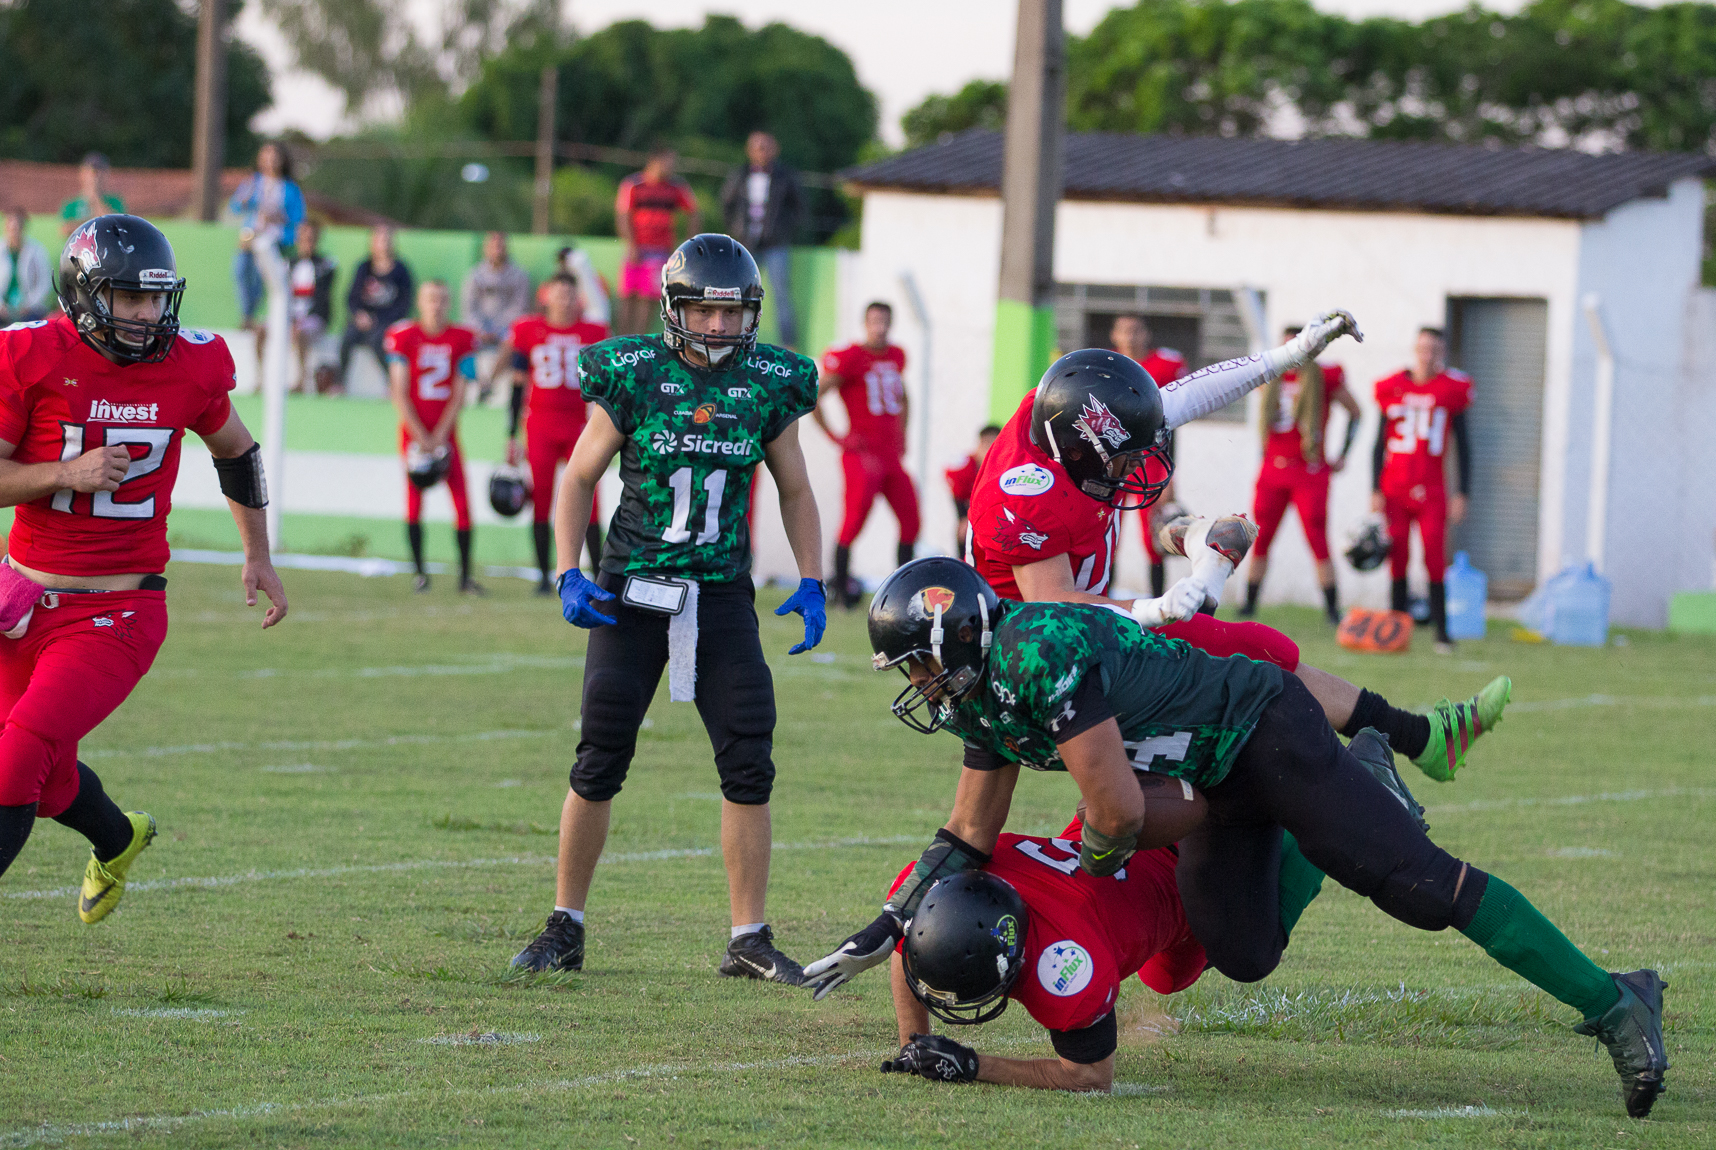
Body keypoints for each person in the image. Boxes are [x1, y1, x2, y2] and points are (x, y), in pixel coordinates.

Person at [808, 558, 1669, 1119]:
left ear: (959, 639)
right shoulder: (983, 693)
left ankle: (1613, 1001)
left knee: (1418, 888)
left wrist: (1099, 868)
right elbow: (967, 831)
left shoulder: (1039, 656)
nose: (919, 685)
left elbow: (1114, 817)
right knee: (1245, 950)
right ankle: (1359, 781)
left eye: (918, 663)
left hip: (1262, 728)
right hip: (1211, 780)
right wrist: (886, 925)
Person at [965, 333, 1506, 784]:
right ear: (1078, 447)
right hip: (1036, 663)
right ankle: (1406, 749)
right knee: (1254, 654)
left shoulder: (1068, 423)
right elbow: (1053, 606)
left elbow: (1182, 400)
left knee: (1252, 657)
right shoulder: (1025, 491)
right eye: (1124, 457)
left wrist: (1283, 358)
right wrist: (1154, 609)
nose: (1134, 468)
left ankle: (1416, 741)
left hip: (1079, 628)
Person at [509, 234, 826, 986]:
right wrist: (567, 570)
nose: (717, 328)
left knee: (749, 755)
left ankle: (747, 937)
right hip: (632, 592)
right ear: (673, 309)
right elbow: (577, 477)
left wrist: (813, 577)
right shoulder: (635, 375)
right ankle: (566, 925)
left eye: (730, 313)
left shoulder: (771, 382)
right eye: (702, 311)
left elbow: (796, 489)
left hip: (719, 595)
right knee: (601, 752)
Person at [0, 214, 288, 919]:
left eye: (155, 299)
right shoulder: (31, 354)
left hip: (116, 611)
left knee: (16, 760)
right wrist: (67, 471)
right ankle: (118, 836)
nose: (145, 315)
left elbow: (237, 452)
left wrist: (258, 553)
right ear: (82, 293)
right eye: (127, 299)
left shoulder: (188, 363)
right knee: (47, 772)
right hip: (20, 597)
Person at [875, 838, 1217, 1090]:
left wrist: (971, 1064)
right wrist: (913, 1046)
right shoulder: (934, 892)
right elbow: (909, 940)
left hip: (1185, 881)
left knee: (1164, 978)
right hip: (1104, 840)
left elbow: (1090, 1078)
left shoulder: (1065, 968)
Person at [490, 273, 610, 592]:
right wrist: (510, 434)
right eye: (559, 293)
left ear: (578, 297)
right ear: (546, 296)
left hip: (578, 425)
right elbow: (517, 385)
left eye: (570, 293)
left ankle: (599, 573)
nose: (565, 300)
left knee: (592, 499)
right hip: (539, 424)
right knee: (542, 500)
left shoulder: (593, 331)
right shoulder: (528, 329)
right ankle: (545, 576)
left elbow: (608, 389)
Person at [1242, 326, 1362, 624]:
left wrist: (1343, 453)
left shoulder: (1324, 376)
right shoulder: (1270, 373)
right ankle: (1249, 604)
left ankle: (1332, 609)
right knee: (1261, 537)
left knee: (1317, 539)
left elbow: (1356, 412)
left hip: (1309, 469)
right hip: (1273, 467)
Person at [1374, 327, 1472, 653]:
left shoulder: (1450, 389)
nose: (1427, 355)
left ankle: (1442, 634)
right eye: (1423, 348)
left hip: (1431, 488)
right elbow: (1378, 443)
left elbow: (1464, 444)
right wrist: (1374, 488)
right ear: (1415, 349)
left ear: (1441, 352)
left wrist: (1463, 492)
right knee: (1398, 556)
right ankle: (1395, 631)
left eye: (1434, 349)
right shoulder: (1392, 387)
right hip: (1395, 488)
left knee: (1434, 556)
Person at [815, 301, 919, 607]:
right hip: (861, 454)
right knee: (854, 520)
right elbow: (816, 396)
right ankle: (840, 589)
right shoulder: (851, 358)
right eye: (874, 321)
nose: (880, 327)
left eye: (885, 321)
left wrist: (904, 434)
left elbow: (903, 396)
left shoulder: (897, 355)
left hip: (890, 454)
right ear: (865, 323)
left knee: (911, 519)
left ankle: (905, 590)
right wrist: (836, 437)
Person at [385, 280, 480, 595]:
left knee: (462, 502)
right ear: (420, 302)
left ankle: (465, 576)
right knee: (414, 501)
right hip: (414, 431)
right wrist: (420, 434)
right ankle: (419, 573)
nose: (436, 305)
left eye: (441, 299)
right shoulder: (404, 336)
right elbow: (398, 392)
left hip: (445, 431)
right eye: (430, 298)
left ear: (448, 302)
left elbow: (460, 389)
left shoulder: (462, 338)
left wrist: (440, 435)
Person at [1110, 314, 1186, 598]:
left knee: (1153, 537)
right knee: (1107, 532)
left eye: (1136, 331)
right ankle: (1103, 598)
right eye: (1124, 331)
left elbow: (1173, 423)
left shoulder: (1165, 365)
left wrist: (1169, 474)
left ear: (1147, 334)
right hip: (1113, 458)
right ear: (1114, 335)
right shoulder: (1107, 364)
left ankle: (1158, 601)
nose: (1130, 337)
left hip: (1151, 458)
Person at [721, 132, 804, 349]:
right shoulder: (740, 174)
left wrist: (783, 230)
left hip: (775, 243)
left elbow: (798, 207)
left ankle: (789, 345)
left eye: (765, 146)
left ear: (775, 149)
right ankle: (734, 338)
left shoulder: (784, 175)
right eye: (757, 147)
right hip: (747, 243)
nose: (761, 151)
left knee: (781, 295)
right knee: (739, 293)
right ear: (749, 150)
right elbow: (727, 204)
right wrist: (736, 230)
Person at [228, 143, 307, 358]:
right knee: (241, 271)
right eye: (266, 156)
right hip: (251, 238)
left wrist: (280, 220)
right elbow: (235, 206)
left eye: (274, 157)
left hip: (275, 241)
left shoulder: (290, 189)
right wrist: (246, 203)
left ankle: (262, 319)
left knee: (266, 280)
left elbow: (299, 221)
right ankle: (248, 315)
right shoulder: (253, 183)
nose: (270, 161)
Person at [614, 150, 697, 337]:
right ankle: (621, 338)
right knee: (627, 296)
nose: (671, 167)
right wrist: (631, 244)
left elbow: (694, 211)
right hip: (636, 249)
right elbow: (623, 215)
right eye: (668, 162)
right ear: (655, 161)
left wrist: (688, 242)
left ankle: (638, 340)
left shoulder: (676, 186)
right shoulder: (634, 184)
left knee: (648, 298)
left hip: (660, 250)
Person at [340, 226, 414, 390]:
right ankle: (339, 382)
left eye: (387, 240)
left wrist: (380, 319)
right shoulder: (363, 268)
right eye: (380, 240)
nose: (384, 245)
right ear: (372, 243)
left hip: (387, 322)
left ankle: (394, 384)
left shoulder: (401, 270)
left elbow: (404, 303)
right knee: (347, 337)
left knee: (379, 341)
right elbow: (352, 298)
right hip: (363, 320)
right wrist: (359, 315)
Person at [287, 220, 337, 394]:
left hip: (313, 318)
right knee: (260, 331)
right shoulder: (288, 264)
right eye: (304, 237)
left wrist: (297, 321)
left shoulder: (326, 265)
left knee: (301, 332)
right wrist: (291, 319)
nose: (307, 242)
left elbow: (322, 297)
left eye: (311, 238)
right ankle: (260, 380)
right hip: (289, 317)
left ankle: (300, 380)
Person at [462, 231, 531, 353]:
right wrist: (481, 330)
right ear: (485, 249)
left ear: (507, 248)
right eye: (493, 246)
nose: (497, 250)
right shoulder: (475, 275)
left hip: (507, 330)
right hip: (480, 331)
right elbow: (469, 307)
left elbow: (520, 307)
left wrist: (498, 330)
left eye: (500, 245)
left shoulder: (520, 275)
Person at [943, 424, 1000, 555]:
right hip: (972, 513)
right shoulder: (964, 468)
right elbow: (957, 495)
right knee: (964, 528)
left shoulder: (1007, 466)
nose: (989, 449)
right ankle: (962, 565)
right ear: (978, 445)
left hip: (995, 514)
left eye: (993, 444)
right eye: (986, 444)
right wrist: (964, 518)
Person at [0, 209, 52, 324]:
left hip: (29, 309)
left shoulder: (36, 250)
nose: (14, 233)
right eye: (11, 228)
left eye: (17, 228)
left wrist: (29, 305)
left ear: (23, 229)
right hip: (3, 308)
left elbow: (44, 283)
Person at [58, 154, 124, 238]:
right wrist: (98, 224)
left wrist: (96, 198)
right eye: (92, 171)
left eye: (100, 171)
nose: (95, 176)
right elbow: (65, 230)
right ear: (82, 173)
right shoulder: (71, 203)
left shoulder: (115, 201)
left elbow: (116, 227)